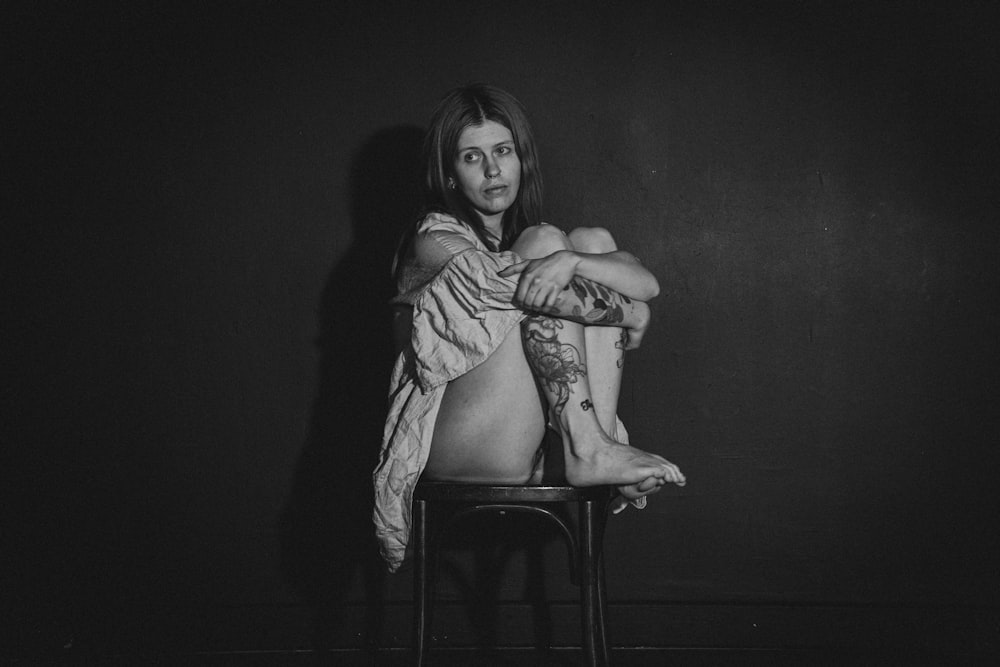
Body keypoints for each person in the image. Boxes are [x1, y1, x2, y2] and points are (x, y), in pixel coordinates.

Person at [373, 84, 685, 571]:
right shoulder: (433, 238)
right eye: (472, 157)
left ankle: (596, 445)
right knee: (547, 250)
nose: (493, 170)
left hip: (527, 440)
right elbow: (542, 294)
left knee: (587, 242)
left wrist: (577, 260)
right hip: (459, 443)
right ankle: (591, 448)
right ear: (450, 176)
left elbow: (645, 283)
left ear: (521, 159)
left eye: (503, 151)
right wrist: (631, 313)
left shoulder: (525, 243)